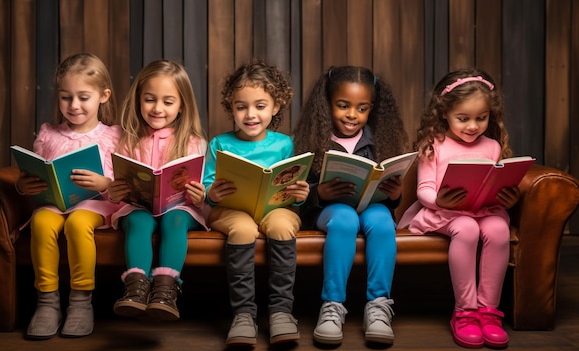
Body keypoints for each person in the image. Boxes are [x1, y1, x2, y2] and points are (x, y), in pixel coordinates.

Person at [397, 68, 517, 349]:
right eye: (463, 118)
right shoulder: (434, 145)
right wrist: (440, 200)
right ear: (444, 114)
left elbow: (496, 181)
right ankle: (465, 312)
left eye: (481, 118)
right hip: (444, 214)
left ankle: (488, 311)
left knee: (499, 229)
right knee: (466, 228)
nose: (473, 126)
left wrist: (505, 197)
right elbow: (424, 189)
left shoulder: (492, 146)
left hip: (484, 210)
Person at [292, 65, 408, 346]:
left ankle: (378, 306)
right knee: (345, 220)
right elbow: (296, 196)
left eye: (362, 108)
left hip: (372, 206)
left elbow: (393, 193)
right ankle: (332, 306)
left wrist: (394, 193)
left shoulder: (381, 139)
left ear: (372, 109)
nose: (352, 115)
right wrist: (320, 191)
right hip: (330, 210)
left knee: (382, 223)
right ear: (328, 103)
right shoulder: (313, 139)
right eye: (343, 106)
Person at [202, 59, 309, 346]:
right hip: (230, 211)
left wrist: (300, 193)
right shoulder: (219, 143)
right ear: (231, 108)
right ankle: (243, 314)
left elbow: (292, 184)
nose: (250, 114)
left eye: (260, 106)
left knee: (282, 227)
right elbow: (206, 187)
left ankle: (281, 312)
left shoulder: (284, 144)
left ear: (275, 107)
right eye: (241, 106)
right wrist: (212, 194)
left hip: (275, 209)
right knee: (243, 229)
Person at [15, 53, 122, 339]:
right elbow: (36, 172)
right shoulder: (48, 133)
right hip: (53, 204)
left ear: (103, 96)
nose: (74, 106)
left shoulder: (113, 136)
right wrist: (24, 186)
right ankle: (48, 302)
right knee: (41, 224)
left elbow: (121, 185)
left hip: (96, 204)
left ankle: (80, 302)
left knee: (76, 223)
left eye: (83, 97)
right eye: (66, 97)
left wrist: (104, 182)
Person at [108, 60, 208, 323]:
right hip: (139, 206)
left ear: (182, 105)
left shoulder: (194, 142)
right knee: (138, 221)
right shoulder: (127, 139)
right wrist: (115, 191)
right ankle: (136, 288)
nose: (157, 108)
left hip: (180, 209)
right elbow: (114, 181)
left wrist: (201, 194)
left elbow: (203, 183)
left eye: (168, 101)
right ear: (139, 99)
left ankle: (165, 290)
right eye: (150, 99)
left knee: (173, 220)